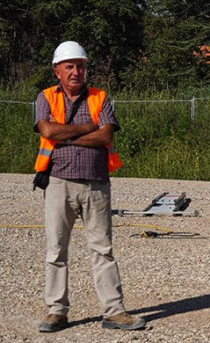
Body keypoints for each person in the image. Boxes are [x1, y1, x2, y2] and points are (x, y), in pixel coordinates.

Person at [33, 41, 146, 333]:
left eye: (80, 66)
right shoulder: (45, 97)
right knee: (56, 251)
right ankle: (56, 311)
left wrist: (65, 136)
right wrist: (88, 128)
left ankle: (114, 311)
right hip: (59, 182)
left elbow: (106, 136)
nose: (76, 72)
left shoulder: (100, 97)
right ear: (57, 71)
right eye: (69, 66)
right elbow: (47, 130)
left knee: (103, 250)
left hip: (96, 184)